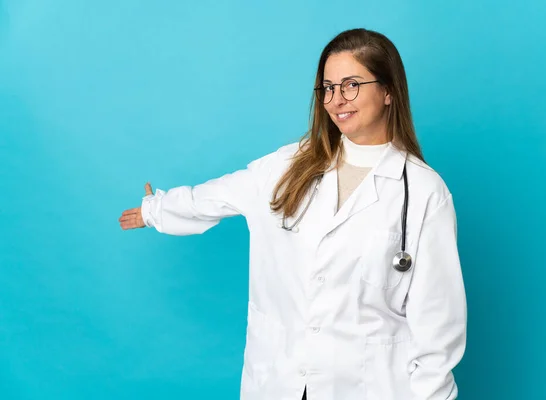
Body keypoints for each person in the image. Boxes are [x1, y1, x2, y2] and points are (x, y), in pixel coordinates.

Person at [119, 28, 467, 400]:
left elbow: (438, 323)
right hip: (280, 379)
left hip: (369, 386)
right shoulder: (289, 165)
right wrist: (156, 209)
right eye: (328, 88)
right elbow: (219, 195)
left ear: (388, 91)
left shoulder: (424, 192)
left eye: (351, 84)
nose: (336, 100)